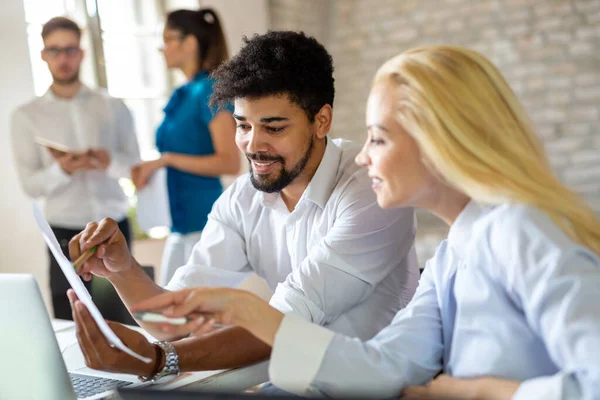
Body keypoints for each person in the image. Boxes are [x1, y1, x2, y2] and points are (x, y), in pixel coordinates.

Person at [125, 45, 600, 399]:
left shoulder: (522, 231)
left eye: (378, 139)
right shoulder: (453, 253)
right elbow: (387, 364)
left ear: (440, 142)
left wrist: (479, 392)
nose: (364, 158)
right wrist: (247, 312)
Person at [66, 31, 419, 382]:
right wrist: (122, 269)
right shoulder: (243, 198)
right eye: (242, 125)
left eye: (274, 128)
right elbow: (172, 322)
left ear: (321, 121)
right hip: (296, 382)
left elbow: (285, 324)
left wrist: (158, 359)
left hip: (379, 385)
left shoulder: (370, 189)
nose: (253, 145)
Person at [11, 17, 140, 320]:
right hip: (62, 232)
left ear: (81, 53)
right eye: (54, 50)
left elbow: (133, 167)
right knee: (73, 320)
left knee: (124, 317)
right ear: (43, 54)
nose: (63, 58)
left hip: (114, 227)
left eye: (70, 50)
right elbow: (30, 185)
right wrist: (64, 170)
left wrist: (107, 162)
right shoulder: (26, 116)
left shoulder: (112, 105)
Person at [130, 9, 240, 285]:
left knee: (193, 317)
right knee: (168, 313)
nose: (161, 48)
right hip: (178, 224)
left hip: (204, 225)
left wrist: (166, 160)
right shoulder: (184, 92)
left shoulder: (209, 90)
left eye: (168, 40)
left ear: (190, 43)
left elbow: (230, 162)